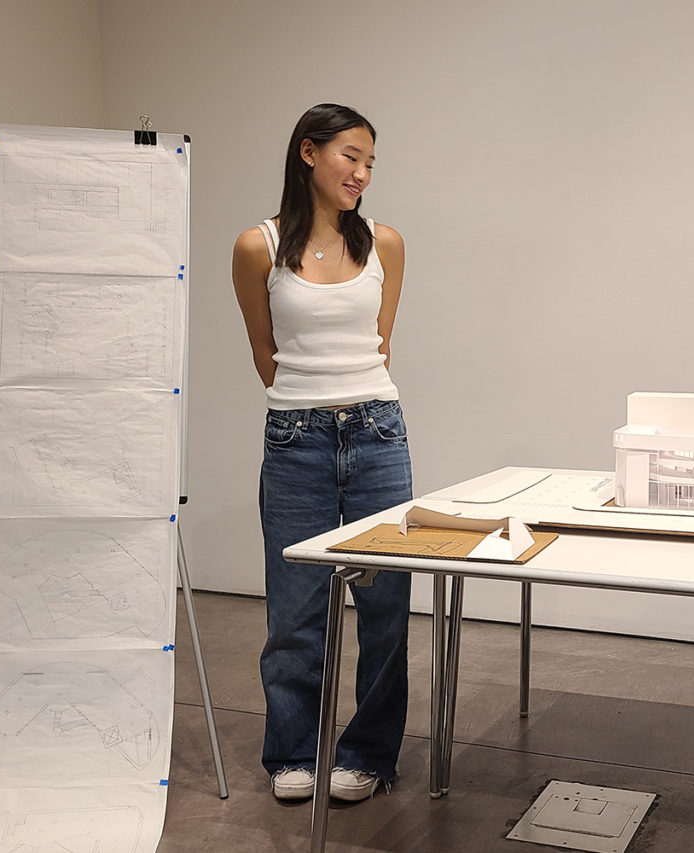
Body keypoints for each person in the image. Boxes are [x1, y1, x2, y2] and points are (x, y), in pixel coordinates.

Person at [231, 103, 412, 803]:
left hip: (378, 435)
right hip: (295, 440)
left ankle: (366, 753)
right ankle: (292, 753)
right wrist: (309, 404)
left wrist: (352, 401)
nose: (361, 173)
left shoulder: (384, 243)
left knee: (385, 602)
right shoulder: (258, 245)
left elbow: (381, 341)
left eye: (370, 163)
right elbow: (263, 351)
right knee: (296, 608)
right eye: (350, 157)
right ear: (309, 153)